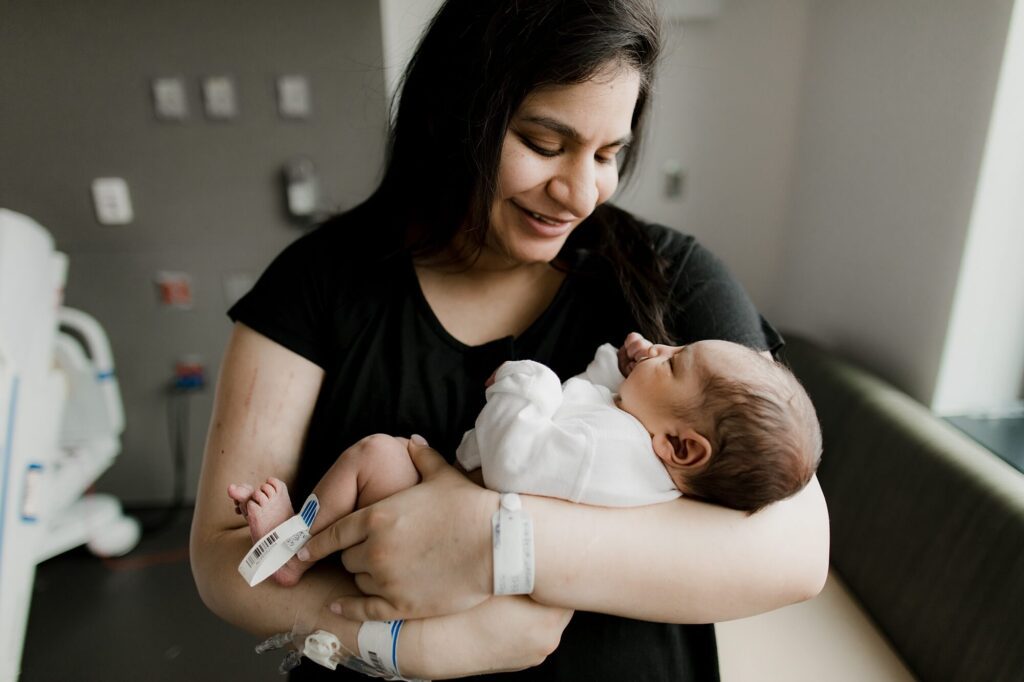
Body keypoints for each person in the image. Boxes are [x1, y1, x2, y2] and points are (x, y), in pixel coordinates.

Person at [189, 1, 830, 680]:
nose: (580, 193)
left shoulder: (676, 277)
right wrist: (413, 646)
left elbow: (793, 549)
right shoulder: (318, 282)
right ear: (458, 114)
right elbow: (222, 559)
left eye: (608, 154)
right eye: (544, 144)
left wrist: (494, 544)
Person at [228, 333, 821, 587]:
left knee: (373, 454)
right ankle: (305, 546)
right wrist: (623, 367)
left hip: (450, 507)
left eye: (672, 362)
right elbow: (584, 399)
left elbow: (516, 460)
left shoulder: (613, 451)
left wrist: (523, 380)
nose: (661, 347)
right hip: (452, 510)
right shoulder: (635, 447)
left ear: (683, 446)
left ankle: (293, 549)